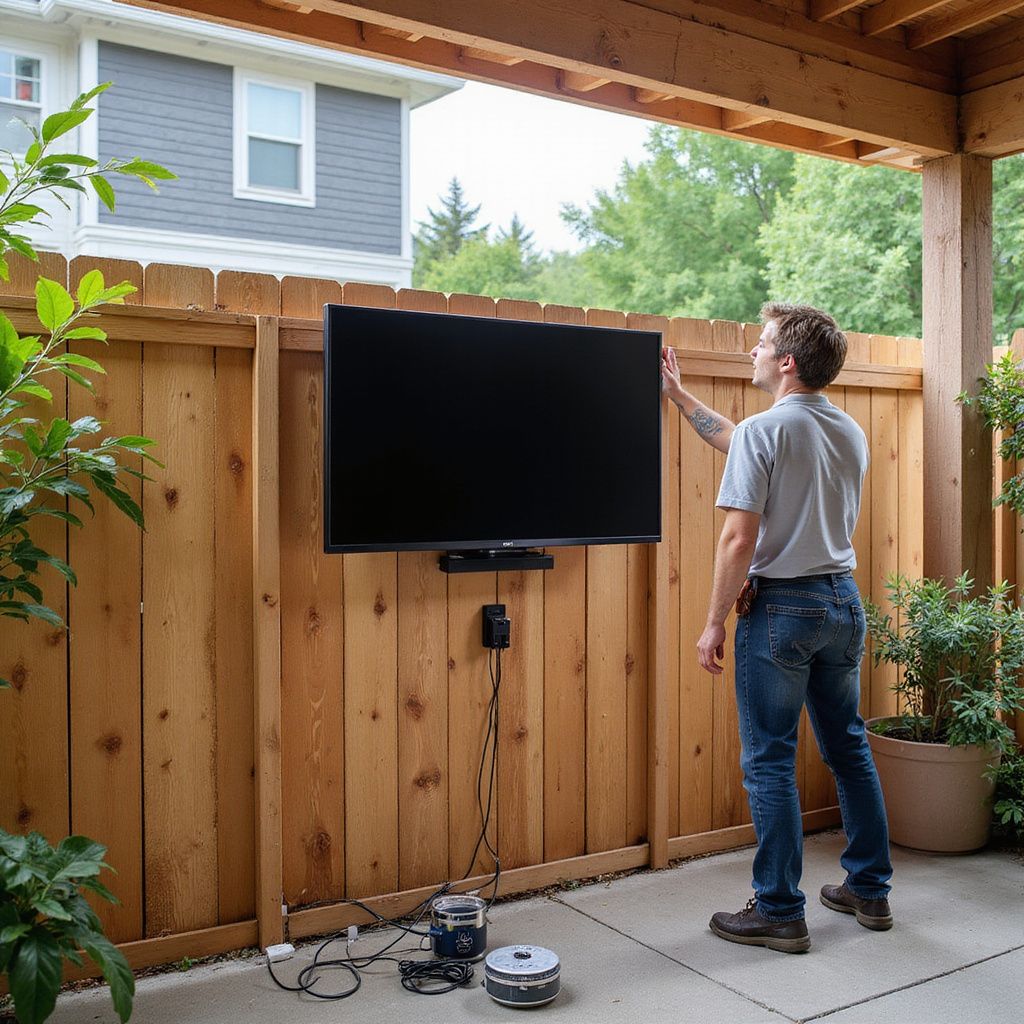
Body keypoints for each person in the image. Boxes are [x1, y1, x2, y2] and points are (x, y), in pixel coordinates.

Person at [660, 303, 893, 954]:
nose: (753, 353)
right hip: (842, 603)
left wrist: (712, 623)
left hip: (782, 611)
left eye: (761, 345)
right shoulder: (847, 431)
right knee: (848, 748)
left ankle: (780, 910)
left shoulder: (768, 433)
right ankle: (870, 891)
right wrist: (680, 398)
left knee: (769, 761)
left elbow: (738, 538)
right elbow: (742, 440)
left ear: (786, 362)